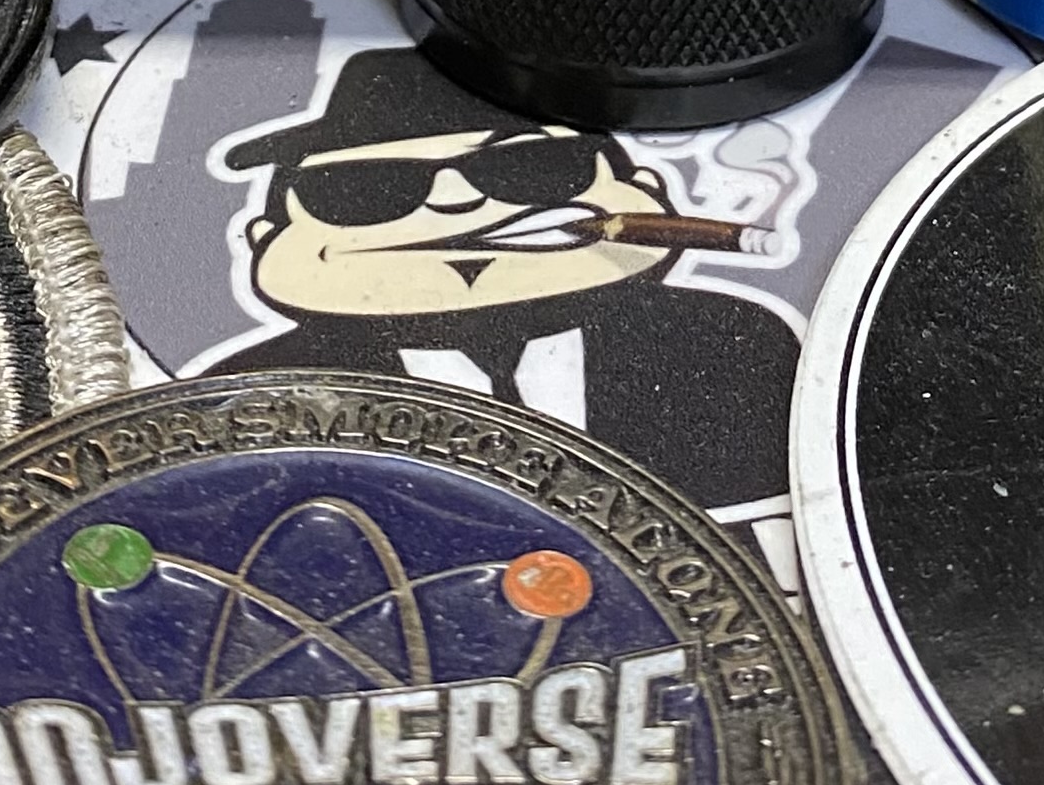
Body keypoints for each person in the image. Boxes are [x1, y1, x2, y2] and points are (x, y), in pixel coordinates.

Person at [220, 48, 801, 516]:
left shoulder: (727, 344)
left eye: (527, 170)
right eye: (366, 191)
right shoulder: (258, 391)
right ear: (268, 235)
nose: (456, 202)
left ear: (642, 191)